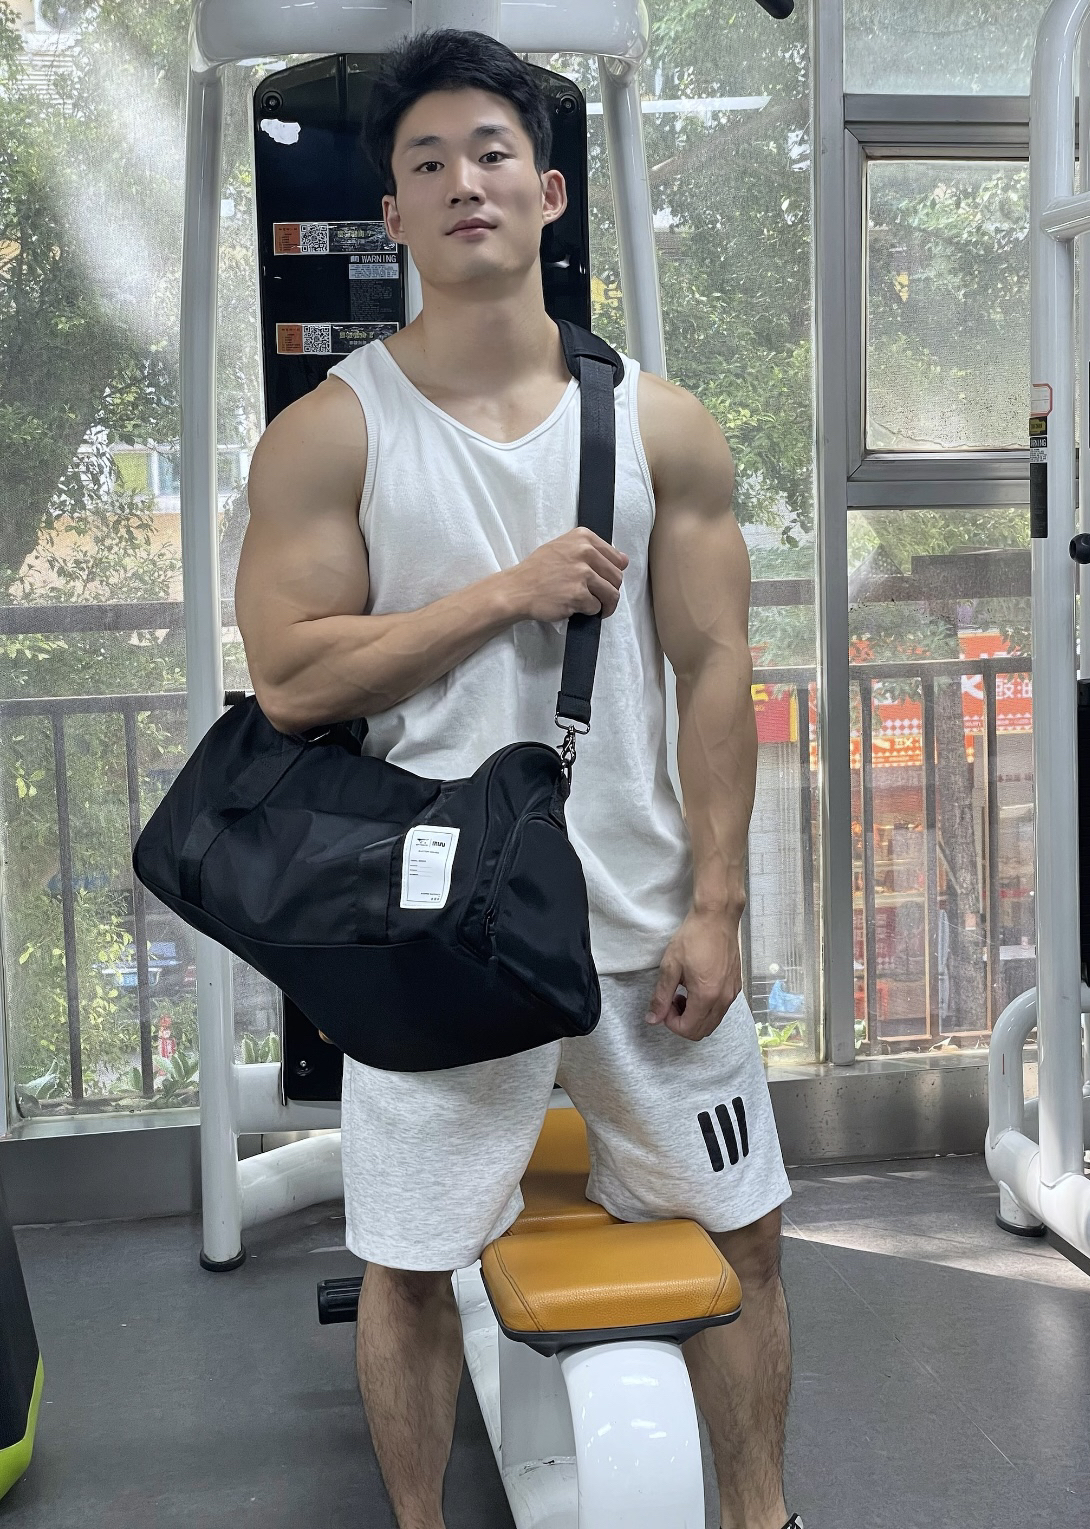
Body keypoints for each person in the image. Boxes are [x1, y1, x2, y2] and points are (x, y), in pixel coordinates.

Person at [236, 29, 799, 1529]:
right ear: (394, 218)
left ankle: (763, 1516)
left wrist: (719, 905)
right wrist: (504, 594)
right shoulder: (329, 436)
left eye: (490, 153)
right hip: (438, 937)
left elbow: (714, 667)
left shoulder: (661, 426)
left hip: (641, 925)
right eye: (426, 163)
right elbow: (292, 680)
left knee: (745, 1235)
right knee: (411, 1271)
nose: (462, 182)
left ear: (548, 193)